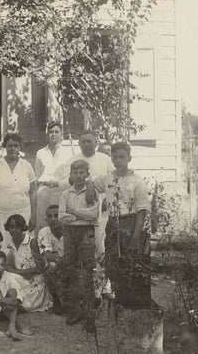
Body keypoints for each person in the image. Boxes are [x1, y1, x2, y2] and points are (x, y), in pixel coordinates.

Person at [56, 130, 114, 299]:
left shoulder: (105, 160)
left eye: (90, 141)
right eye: (84, 142)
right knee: (81, 256)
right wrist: (86, 182)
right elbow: (63, 182)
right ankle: (81, 291)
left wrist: (101, 197)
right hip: (78, 215)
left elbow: (111, 183)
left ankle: (104, 287)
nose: (87, 144)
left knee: (101, 249)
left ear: (96, 141)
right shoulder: (72, 160)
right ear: (79, 143)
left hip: (100, 210)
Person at [93, 142, 151, 308]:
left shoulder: (137, 181)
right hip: (113, 223)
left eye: (122, 157)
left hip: (130, 223)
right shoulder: (108, 178)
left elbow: (142, 211)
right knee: (113, 263)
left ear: (129, 158)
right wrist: (92, 191)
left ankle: (135, 305)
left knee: (131, 263)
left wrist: (135, 236)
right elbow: (93, 185)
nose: (118, 160)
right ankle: (119, 300)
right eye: (115, 157)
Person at [59, 159, 99, 328]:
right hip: (70, 234)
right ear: (71, 175)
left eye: (82, 172)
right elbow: (61, 215)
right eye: (75, 172)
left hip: (86, 233)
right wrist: (81, 216)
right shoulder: (66, 194)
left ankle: (90, 314)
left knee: (87, 273)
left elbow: (94, 213)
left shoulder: (91, 193)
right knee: (71, 271)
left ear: (87, 174)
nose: (78, 176)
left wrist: (74, 213)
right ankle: (75, 310)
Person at [0, 133, 37, 249]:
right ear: (5, 147)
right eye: (10, 145)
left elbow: (32, 192)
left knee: (22, 248)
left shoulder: (27, 166)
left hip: (22, 214)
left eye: (16, 145)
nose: (12, 148)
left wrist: (34, 215)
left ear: (20, 147)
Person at [0, 250, 32, 341]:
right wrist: (4, 301)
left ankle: (11, 326)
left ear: (5, 265)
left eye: (2, 264)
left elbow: (18, 291)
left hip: (9, 309)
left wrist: (16, 300)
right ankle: (16, 324)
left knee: (12, 291)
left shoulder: (8, 275)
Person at [5, 214, 52, 313]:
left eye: (17, 227)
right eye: (11, 227)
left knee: (11, 277)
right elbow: (8, 267)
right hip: (21, 280)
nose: (14, 230)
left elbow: (40, 269)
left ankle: (18, 305)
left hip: (35, 282)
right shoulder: (11, 245)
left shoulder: (32, 242)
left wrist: (16, 272)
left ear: (22, 228)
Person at [34, 121, 74, 234]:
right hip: (44, 191)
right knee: (43, 220)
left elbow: (70, 175)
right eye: (51, 132)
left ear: (61, 134)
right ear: (48, 134)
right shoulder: (40, 153)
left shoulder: (68, 153)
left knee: (60, 220)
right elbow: (38, 174)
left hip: (61, 190)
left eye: (56, 132)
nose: (53, 134)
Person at [37, 205, 64, 314]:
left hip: (70, 265)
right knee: (48, 270)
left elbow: (73, 254)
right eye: (50, 216)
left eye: (56, 215)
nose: (53, 219)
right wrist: (60, 260)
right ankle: (56, 301)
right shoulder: (44, 232)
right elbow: (48, 255)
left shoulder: (70, 230)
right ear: (46, 220)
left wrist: (58, 259)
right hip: (56, 266)